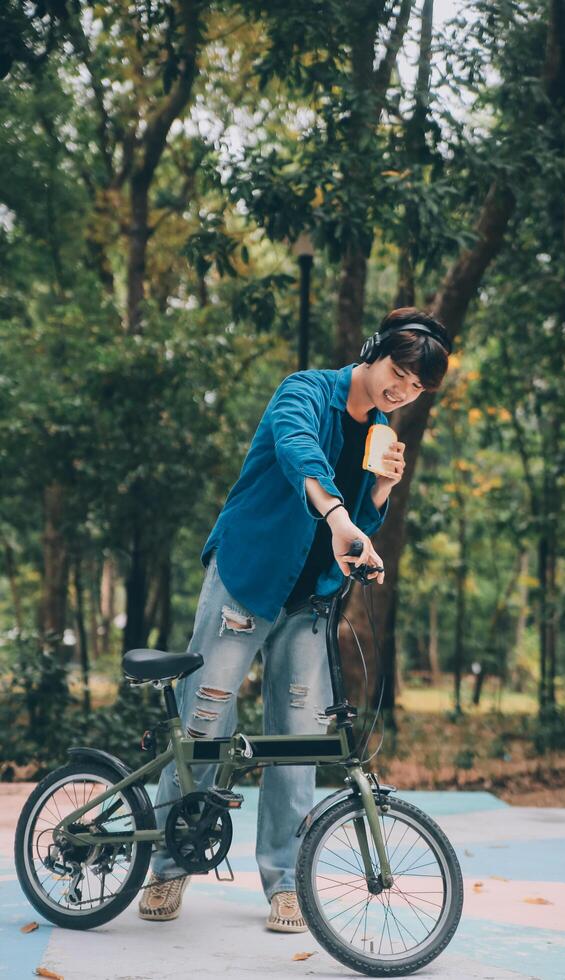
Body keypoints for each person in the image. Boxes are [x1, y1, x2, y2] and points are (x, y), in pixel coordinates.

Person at [137, 306, 450, 930]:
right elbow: (298, 454)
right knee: (204, 717)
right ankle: (169, 866)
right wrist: (339, 520)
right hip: (246, 583)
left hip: (311, 601)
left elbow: (362, 516)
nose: (401, 392)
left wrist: (378, 500)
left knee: (301, 738)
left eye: (416, 388)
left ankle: (286, 880)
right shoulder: (304, 391)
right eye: (397, 373)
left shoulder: (382, 432)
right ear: (374, 353)